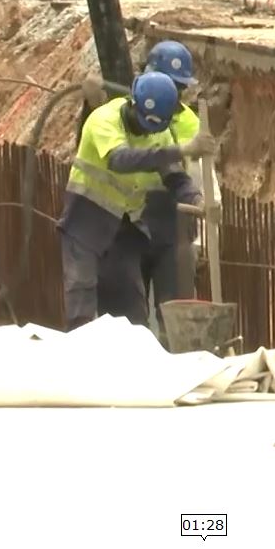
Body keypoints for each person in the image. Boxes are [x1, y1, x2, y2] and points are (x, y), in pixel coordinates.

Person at [59, 71, 218, 330]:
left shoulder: (161, 134)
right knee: (81, 304)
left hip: (125, 229)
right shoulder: (104, 120)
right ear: (132, 101)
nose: (146, 131)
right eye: (142, 123)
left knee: (131, 319)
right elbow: (120, 160)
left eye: (152, 128)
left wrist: (198, 200)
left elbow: (175, 176)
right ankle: (83, 364)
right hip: (85, 223)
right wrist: (184, 149)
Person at [134, 40, 221, 344]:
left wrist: (205, 238)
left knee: (175, 315)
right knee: (130, 317)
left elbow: (201, 179)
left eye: (178, 87)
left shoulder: (190, 123)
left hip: (175, 221)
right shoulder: (133, 115)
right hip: (132, 220)